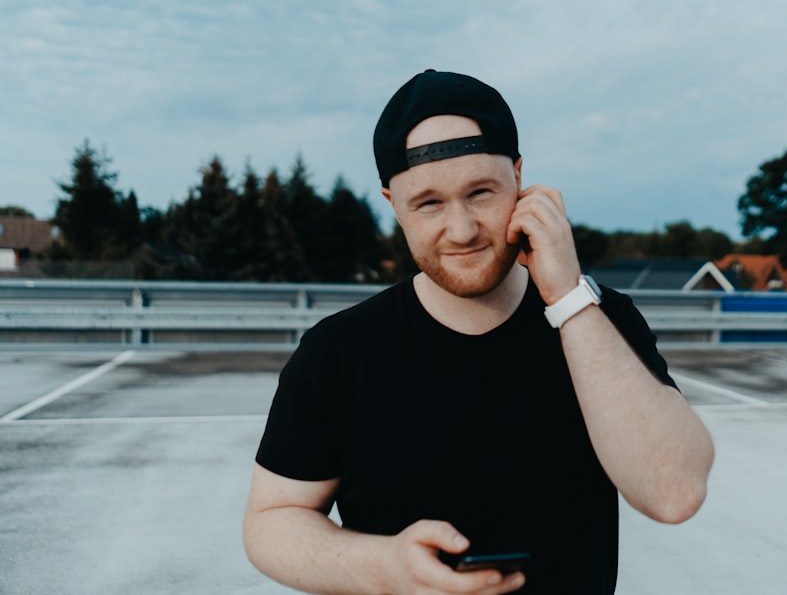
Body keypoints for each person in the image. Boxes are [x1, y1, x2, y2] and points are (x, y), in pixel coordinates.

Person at [243, 69, 715, 594]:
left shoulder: (603, 319)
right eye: (429, 203)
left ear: (520, 178)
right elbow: (271, 520)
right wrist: (386, 567)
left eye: (481, 192)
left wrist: (567, 298)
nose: (462, 229)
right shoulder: (339, 352)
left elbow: (675, 493)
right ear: (392, 205)